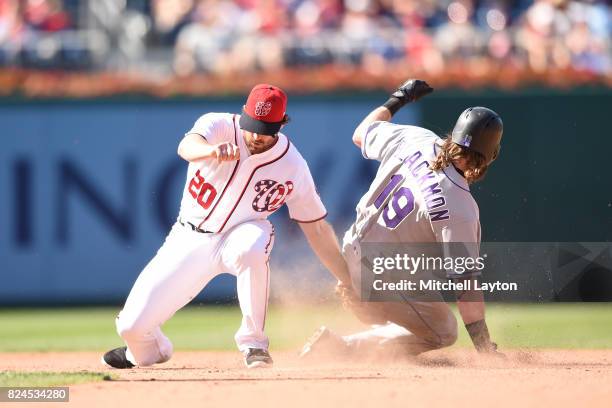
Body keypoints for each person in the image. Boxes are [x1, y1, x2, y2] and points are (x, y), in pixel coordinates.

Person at [102, 84, 350, 369]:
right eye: (253, 125)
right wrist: (209, 150)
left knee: (250, 249)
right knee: (131, 328)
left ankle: (254, 344)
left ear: (282, 124)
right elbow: (186, 147)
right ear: (244, 113)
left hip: (244, 232)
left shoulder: (292, 164)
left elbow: (316, 228)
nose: (257, 135)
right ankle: (149, 350)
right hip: (189, 238)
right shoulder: (217, 125)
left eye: (266, 128)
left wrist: (345, 276)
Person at [301, 79, 503, 358]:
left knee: (414, 281)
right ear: (485, 157)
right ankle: (342, 346)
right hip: (382, 272)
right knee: (444, 330)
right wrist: (484, 347)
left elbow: (360, 133)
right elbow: (465, 284)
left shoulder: (416, 138)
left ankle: (360, 291)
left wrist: (400, 97)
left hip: (353, 247)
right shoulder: (460, 207)